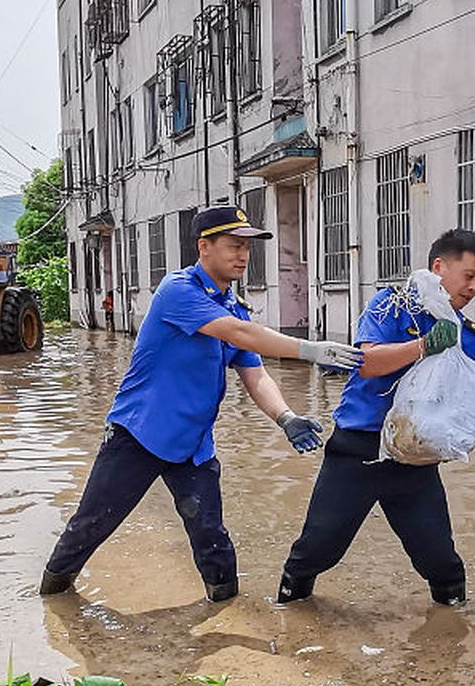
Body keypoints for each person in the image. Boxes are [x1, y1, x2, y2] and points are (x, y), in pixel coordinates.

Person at [41, 205, 364, 601]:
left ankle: (225, 609)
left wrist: (286, 417)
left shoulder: (234, 306)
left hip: (193, 444)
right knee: (90, 525)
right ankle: (53, 599)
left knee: (212, 538)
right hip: (138, 434)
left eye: (247, 247)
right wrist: (309, 349)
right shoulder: (178, 291)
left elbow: (255, 374)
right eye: (233, 245)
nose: (243, 256)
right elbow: (238, 334)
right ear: (204, 247)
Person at [278, 229, 475, 607]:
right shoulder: (391, 307)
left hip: (414, 460)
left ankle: (452, 625)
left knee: (440, 560)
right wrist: (423, 346)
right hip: (357, 451)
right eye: (469, 276)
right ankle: (289, 607)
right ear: (439, 267)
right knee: (318, 547)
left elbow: (469, 398)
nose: (474, 288)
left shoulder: (468, 337)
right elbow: (368, 363)